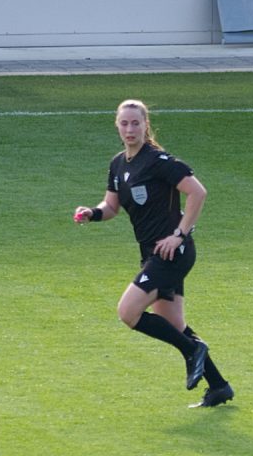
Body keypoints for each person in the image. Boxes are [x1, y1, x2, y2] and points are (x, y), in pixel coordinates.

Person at [72, 99, 234, 408]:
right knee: (171, 323)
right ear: (117, 126)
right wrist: (91, 213)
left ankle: (192, 351)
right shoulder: (119, 163)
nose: (130, 129)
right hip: (151, 254)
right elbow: (112, 206)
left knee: (128, 312)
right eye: (124, 123)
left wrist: (179, 234)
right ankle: (218, 386)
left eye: (136, 123)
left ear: (146, 125)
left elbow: (198, 192)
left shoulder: (159, 160)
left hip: (173, 252)